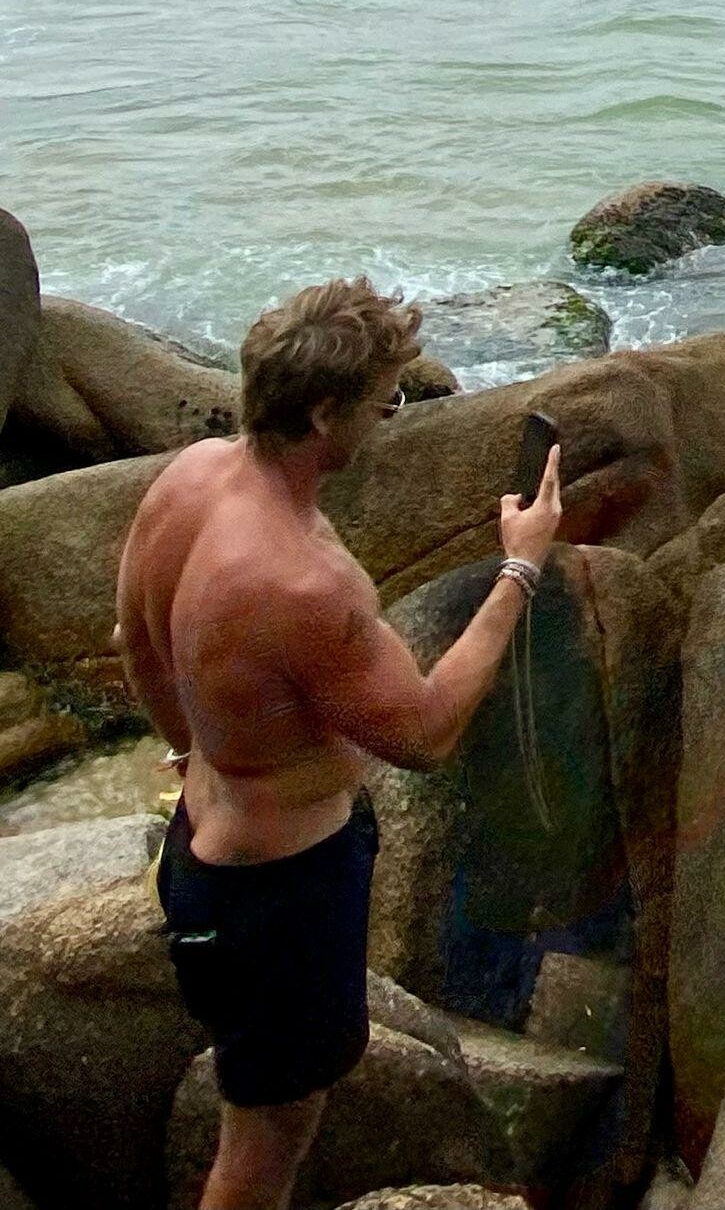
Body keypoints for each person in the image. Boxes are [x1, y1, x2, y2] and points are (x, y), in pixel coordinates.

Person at [115, 276, 563, 1210]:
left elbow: (136, 643)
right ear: (324, 413)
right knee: (266, 1141)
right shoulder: (303, 581)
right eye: (383, 403)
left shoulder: (190, 478)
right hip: (279, 897)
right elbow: (429, 732)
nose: (388, 422)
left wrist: (198, 752)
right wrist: (521, 565)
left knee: (264, 1108)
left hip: (201, 856)